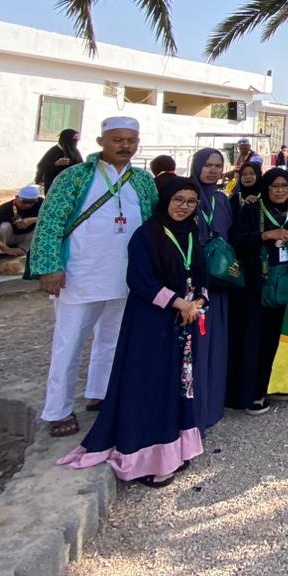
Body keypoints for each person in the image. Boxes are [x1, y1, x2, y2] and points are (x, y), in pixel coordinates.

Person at [59, 176, 209, 486]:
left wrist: (197, 302)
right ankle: (146, 459)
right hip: (151, 323)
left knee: (178, 386)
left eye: (191, 202)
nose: (184, 207)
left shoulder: (192, 233)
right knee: (150, 386)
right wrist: (179, 303)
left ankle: (175, 449)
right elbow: (140, 281)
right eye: (178, 200)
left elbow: (201, 274)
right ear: (165, 200)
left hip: (183, 324)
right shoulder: (146, 235)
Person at [28, 116, 158, 437]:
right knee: (69, 343)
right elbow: (50, 222)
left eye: (131, 140)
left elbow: (154, 225)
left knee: (113, 340)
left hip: (127, 278)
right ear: (101, 142)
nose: (125, 146)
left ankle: (101, 393)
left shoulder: (143, 180)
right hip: (79, 276)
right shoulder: (75, 176)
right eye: (118, 140)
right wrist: (50, 266)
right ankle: (57, 410)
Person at [228, 167, 288, 414]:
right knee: (257, 340)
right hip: (257, 287)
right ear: (265, 188)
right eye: (275, 186)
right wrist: (265, 235)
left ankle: (275, 383)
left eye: (284, 186)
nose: (280, 191)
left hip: (287, 285)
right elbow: (236, 239)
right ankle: (253, 392)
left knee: (279, 338)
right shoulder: (251, 210)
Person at [189, 148, 232, 432]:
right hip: (194, 280)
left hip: (219, 281)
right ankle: (193, 409)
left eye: (218, 165)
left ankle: (213, 404)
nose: (213, 170)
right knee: (195, 343)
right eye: (207, 165)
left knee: (216, 341)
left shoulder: (222, 199)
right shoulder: (186, 196)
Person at [0, 185, 43, 260]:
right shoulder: (4, 209)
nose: (28, 205)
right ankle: (0, 251)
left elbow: (53, 218)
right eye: (24, 201)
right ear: (16, 197)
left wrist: (33, 220)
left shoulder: (41, 203)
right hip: (8, 240)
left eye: (32, 202)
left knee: (43, 224)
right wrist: (7, 249)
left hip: (27, 238)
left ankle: (25, 251)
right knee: (4, 226)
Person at [36, 128, 82, 195]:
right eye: (73, 140)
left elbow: (80, 165)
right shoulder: (54, 151)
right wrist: (56, 164)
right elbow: (41, 166)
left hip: (70, 186)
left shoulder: (75, 151)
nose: (75, 142)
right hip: (54, 185)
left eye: (76, 140)